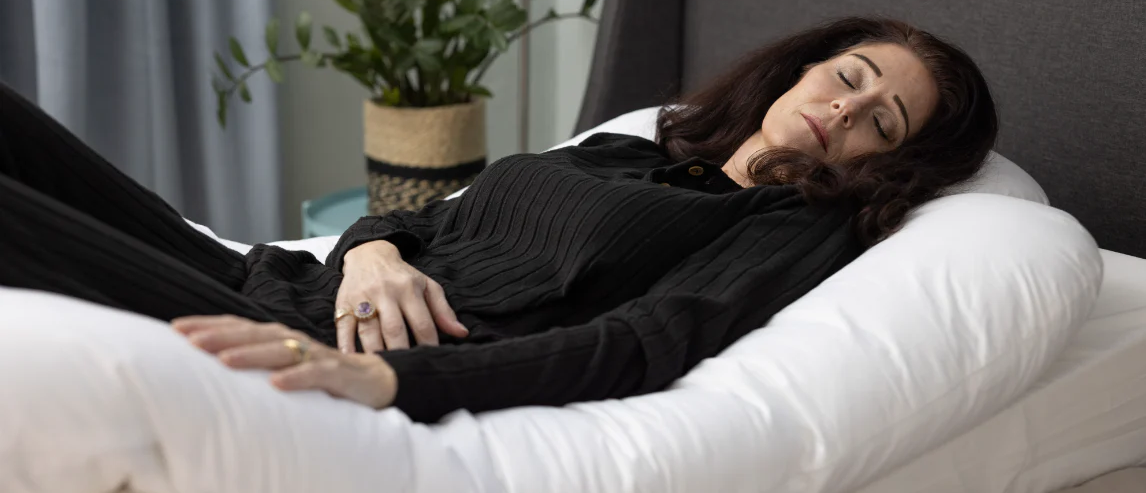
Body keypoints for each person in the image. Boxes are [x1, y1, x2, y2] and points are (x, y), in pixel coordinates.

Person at [0, 17, 996, 423]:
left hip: (310, 337)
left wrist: (386, 373)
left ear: (889, 160)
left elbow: (637, 347)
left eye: (882, 121)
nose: (844, 109)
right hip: (295, 279)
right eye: (848, 77)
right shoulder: (633, 150)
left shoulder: (789, 224)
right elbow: (426, 218)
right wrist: (373, 256)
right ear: (804, 67)